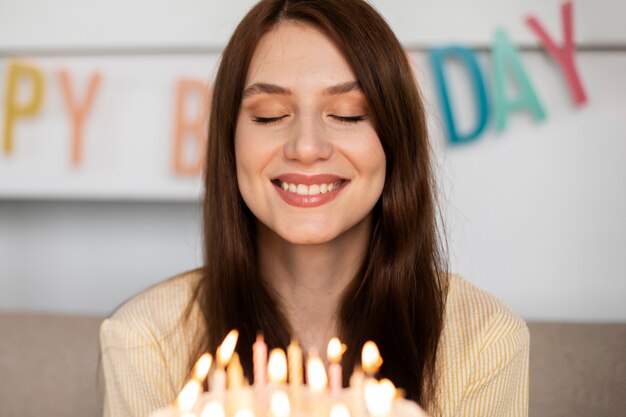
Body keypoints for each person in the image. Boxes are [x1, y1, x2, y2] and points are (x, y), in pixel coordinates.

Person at [100, 1, 529, 416]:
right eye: (269, 116)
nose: (306, 148)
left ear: (396, 141)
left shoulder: (484, 340)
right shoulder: (145, 340)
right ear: (230, 143)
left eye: (346, 114)